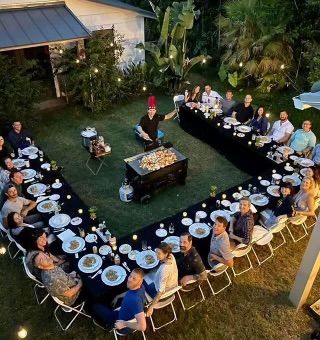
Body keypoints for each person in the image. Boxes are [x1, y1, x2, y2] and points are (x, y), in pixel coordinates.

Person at [92, 268, 147, 333]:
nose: (129, 279)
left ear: (140, 281)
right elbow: (129, 292)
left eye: (134, 279)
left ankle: (107, 325)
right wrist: (118, 296)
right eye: (130, 276)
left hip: (121, 322)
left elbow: (143, 327)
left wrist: (124, 323)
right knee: (113, 296)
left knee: (94, 305)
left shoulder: (134, 300)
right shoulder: (140, 286)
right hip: (126, 312)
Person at [144, 242, 178, 317]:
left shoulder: (164, 270)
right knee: (150, 273)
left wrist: (151, 306)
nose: (156, 255)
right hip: (173, 289)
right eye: (156, 252)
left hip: (163, 296)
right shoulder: (171, 256)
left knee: (142, 279)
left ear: (166, 254)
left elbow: (160, 292)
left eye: (159, 253)